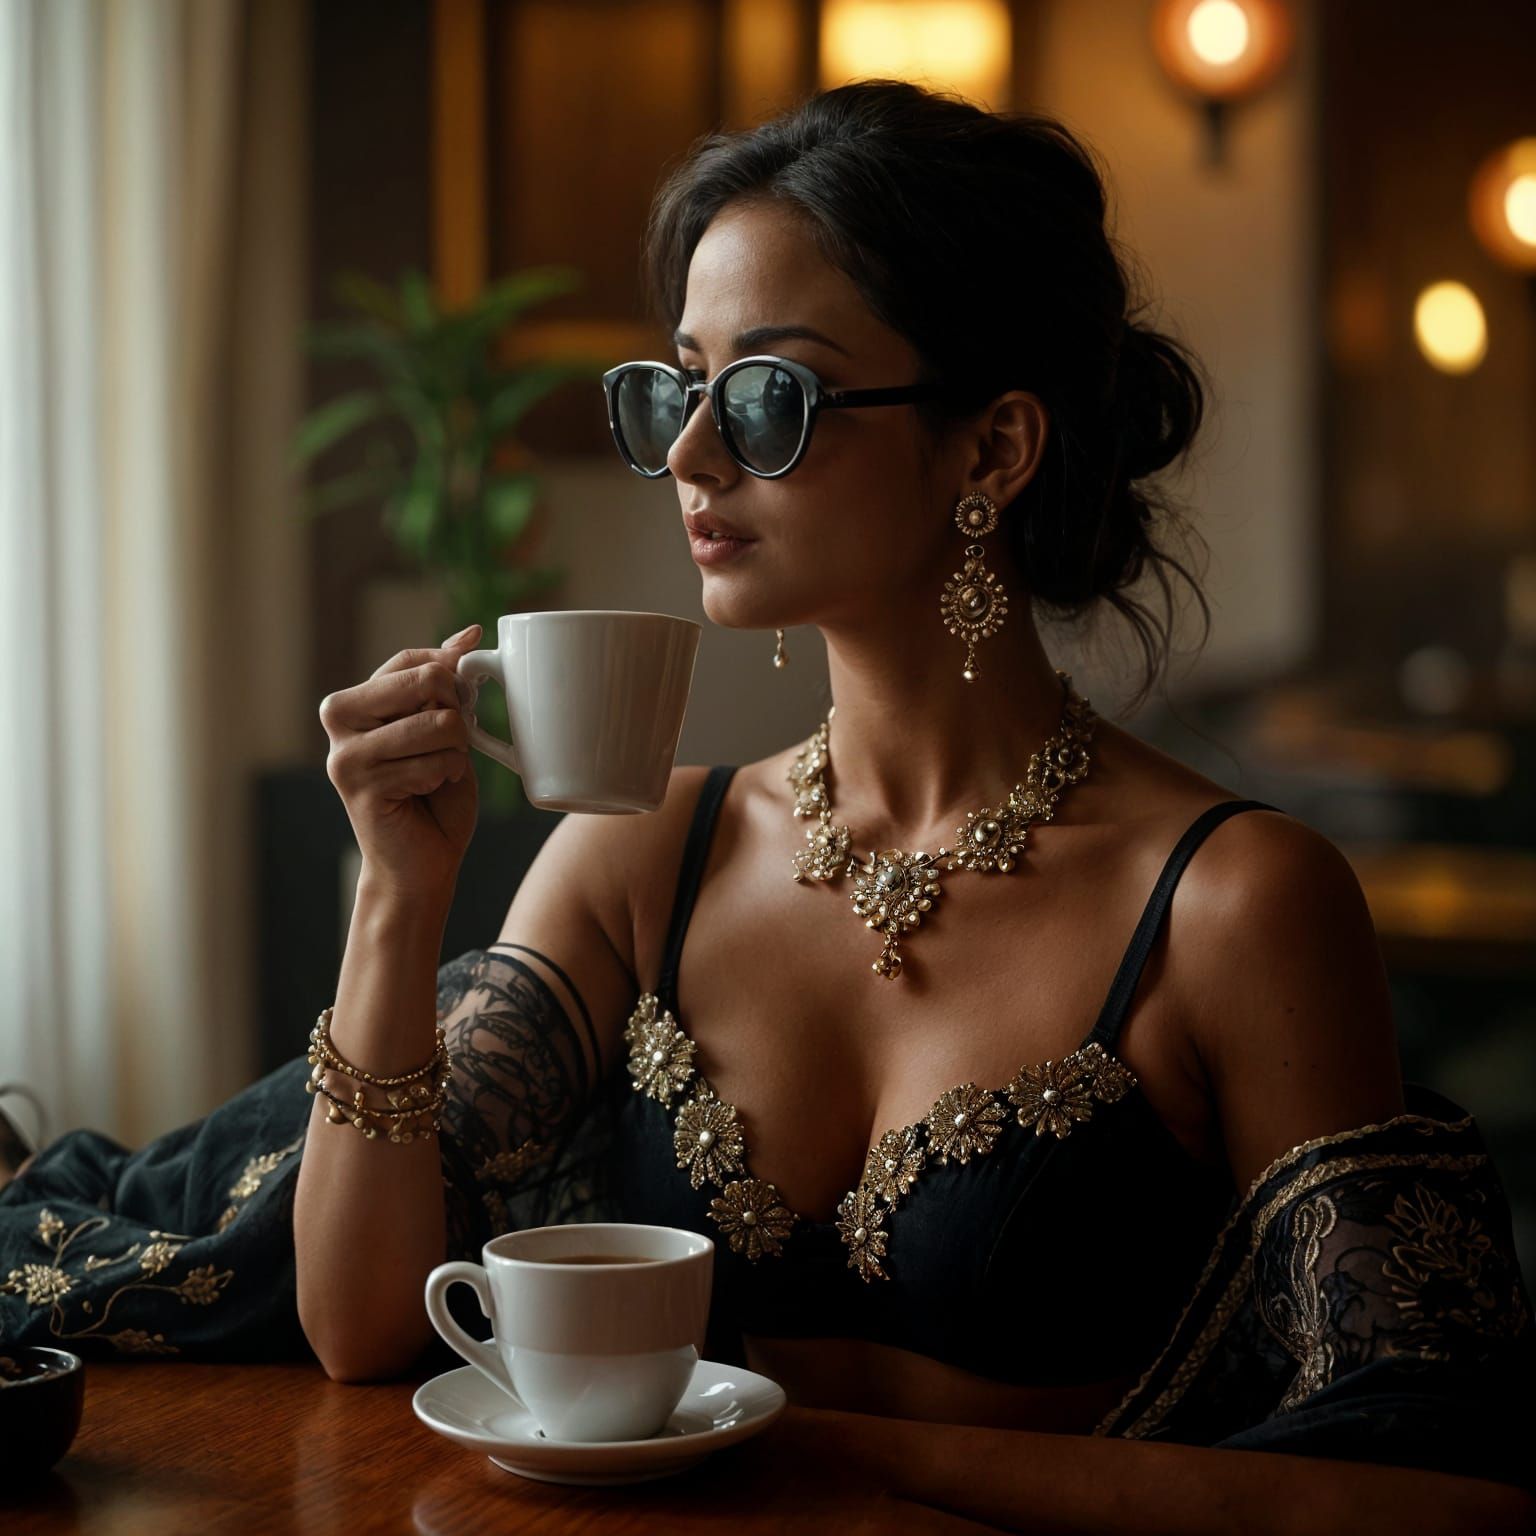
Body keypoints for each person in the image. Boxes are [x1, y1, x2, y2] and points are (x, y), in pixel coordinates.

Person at [3, 79, 1531, 1531]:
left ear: (992, 444)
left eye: (769, 396)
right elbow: (357, 1327)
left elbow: (1424, 1494)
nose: (686, 453)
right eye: (678, 387)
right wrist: (398, 896)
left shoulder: (1234, 903)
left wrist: (799, 1449)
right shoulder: (643, 852)